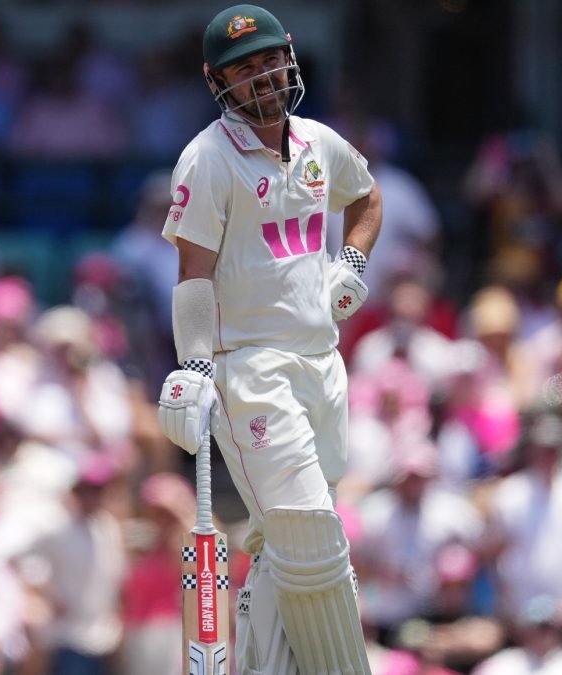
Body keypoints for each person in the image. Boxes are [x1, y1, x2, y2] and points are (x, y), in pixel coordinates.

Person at [156, 4, 382, 674]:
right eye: (242, 69)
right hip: (251, 369)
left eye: (268, 61)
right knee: (309, 531)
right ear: (216, 81)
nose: (261, 77)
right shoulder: (207, 159)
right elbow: (192, 276)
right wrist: (196, 365)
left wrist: (352, 263)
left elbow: (367, 198)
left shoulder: (319, 142)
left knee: (286, 546)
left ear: (290, 58)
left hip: (322, 361)